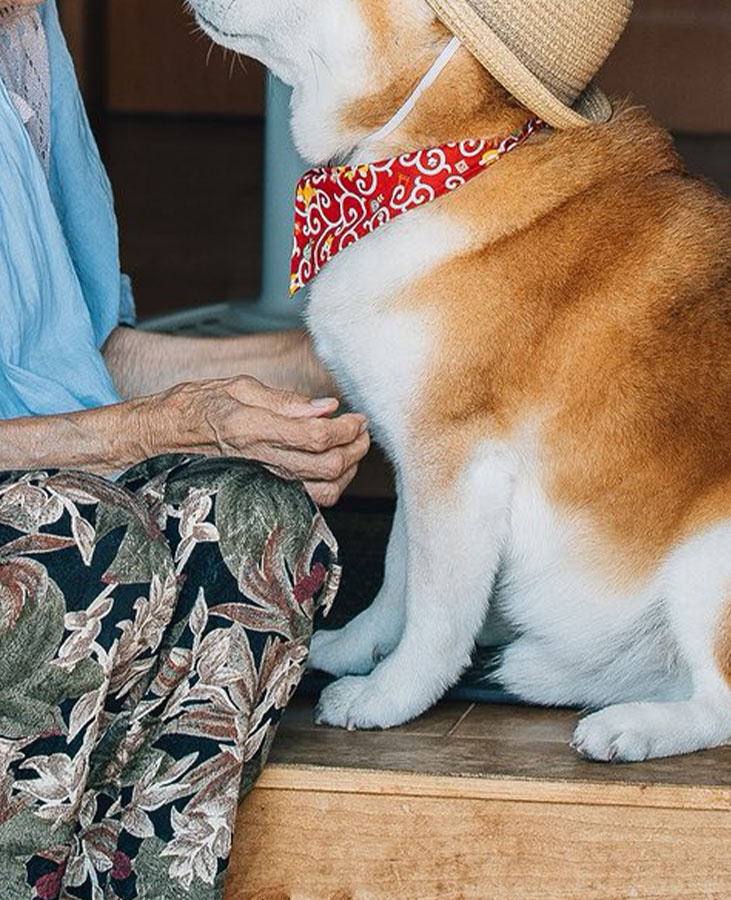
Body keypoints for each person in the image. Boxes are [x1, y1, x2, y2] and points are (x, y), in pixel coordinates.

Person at [0, 2, 370, 897]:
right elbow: (129, 420)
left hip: (55, 475)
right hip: (62, 512)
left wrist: (348, 356)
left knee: (256, 519)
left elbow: (83, 353)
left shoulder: (25, 35)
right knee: (88, 543)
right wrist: (162, 425)